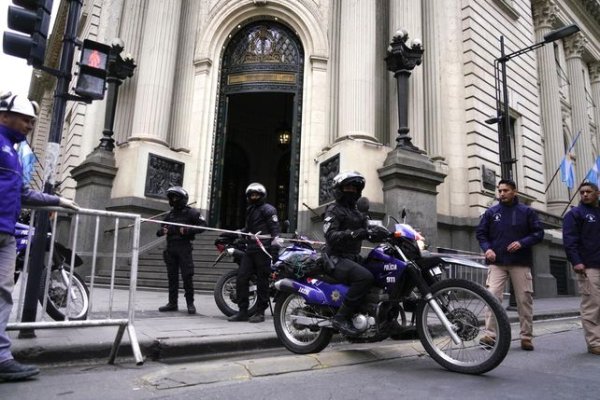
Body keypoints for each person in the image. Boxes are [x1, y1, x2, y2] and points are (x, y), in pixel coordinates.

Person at [0, 92, 79, 381]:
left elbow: (22, 194)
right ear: (4, 115)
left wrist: (57, 201)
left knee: (2, 293)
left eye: (33, 120)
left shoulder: (13, 151)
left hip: (5, 233)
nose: (30, 124)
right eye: (25, 119)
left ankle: (1, 358)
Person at [476, 178, 544, 351]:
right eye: (500, 191)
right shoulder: (491, 212)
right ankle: (490, 335)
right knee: (492, 297)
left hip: (520, 263)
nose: (502, 194)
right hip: (497, 262)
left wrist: (522, 243)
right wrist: (487, 249)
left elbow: (538, 233)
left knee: (524, 300)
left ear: (514, 191)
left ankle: (526, 337)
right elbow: (481, 233)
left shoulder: (527, 212)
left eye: (505, 190)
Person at [323, 171, 376, 336]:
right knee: (364, 277)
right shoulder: (333, 210)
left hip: (354, 258)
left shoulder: (358, 212)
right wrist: (352, 234)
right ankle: (340, 318)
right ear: (339, 189)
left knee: (380, 270)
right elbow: (330, 235)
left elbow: (369, 228)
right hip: (336, 258)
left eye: (354, 187)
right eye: (348, 187)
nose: (351, 190)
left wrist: (379, 233)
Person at [228, 183, 280, 323]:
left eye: (256, 195)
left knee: (262, 280)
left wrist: (274, 252)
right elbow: (249, 228)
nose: (254, 197)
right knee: (242, 278)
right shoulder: (250, 210)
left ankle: (260, 312)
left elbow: (275, 231)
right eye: (251, 195)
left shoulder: (269, 209)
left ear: (262, 196)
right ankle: (243, 311)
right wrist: (238, 232)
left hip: (263, 250)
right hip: (250, 249)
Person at [562, 182, 600, 356]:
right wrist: (576, 261)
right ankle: (594, 342)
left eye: (588, 192)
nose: (585, 195)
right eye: (582, 192)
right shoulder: (575, 214)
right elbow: (570, 240)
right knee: (592, 305)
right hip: (588, 267)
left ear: (597, 193)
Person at [157, 186, 206, 314]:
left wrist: (188, 230)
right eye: (171, 197)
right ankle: (172, 303)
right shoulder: (170, 215)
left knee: (187, 276)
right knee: (172, 277)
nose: (173, 200)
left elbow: (203, 226)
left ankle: (190, 303)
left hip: (184, 248)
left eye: (175, 197)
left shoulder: (191, 213)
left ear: (182, 199)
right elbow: (160, 231)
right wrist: (163, 230)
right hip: (171, 248)